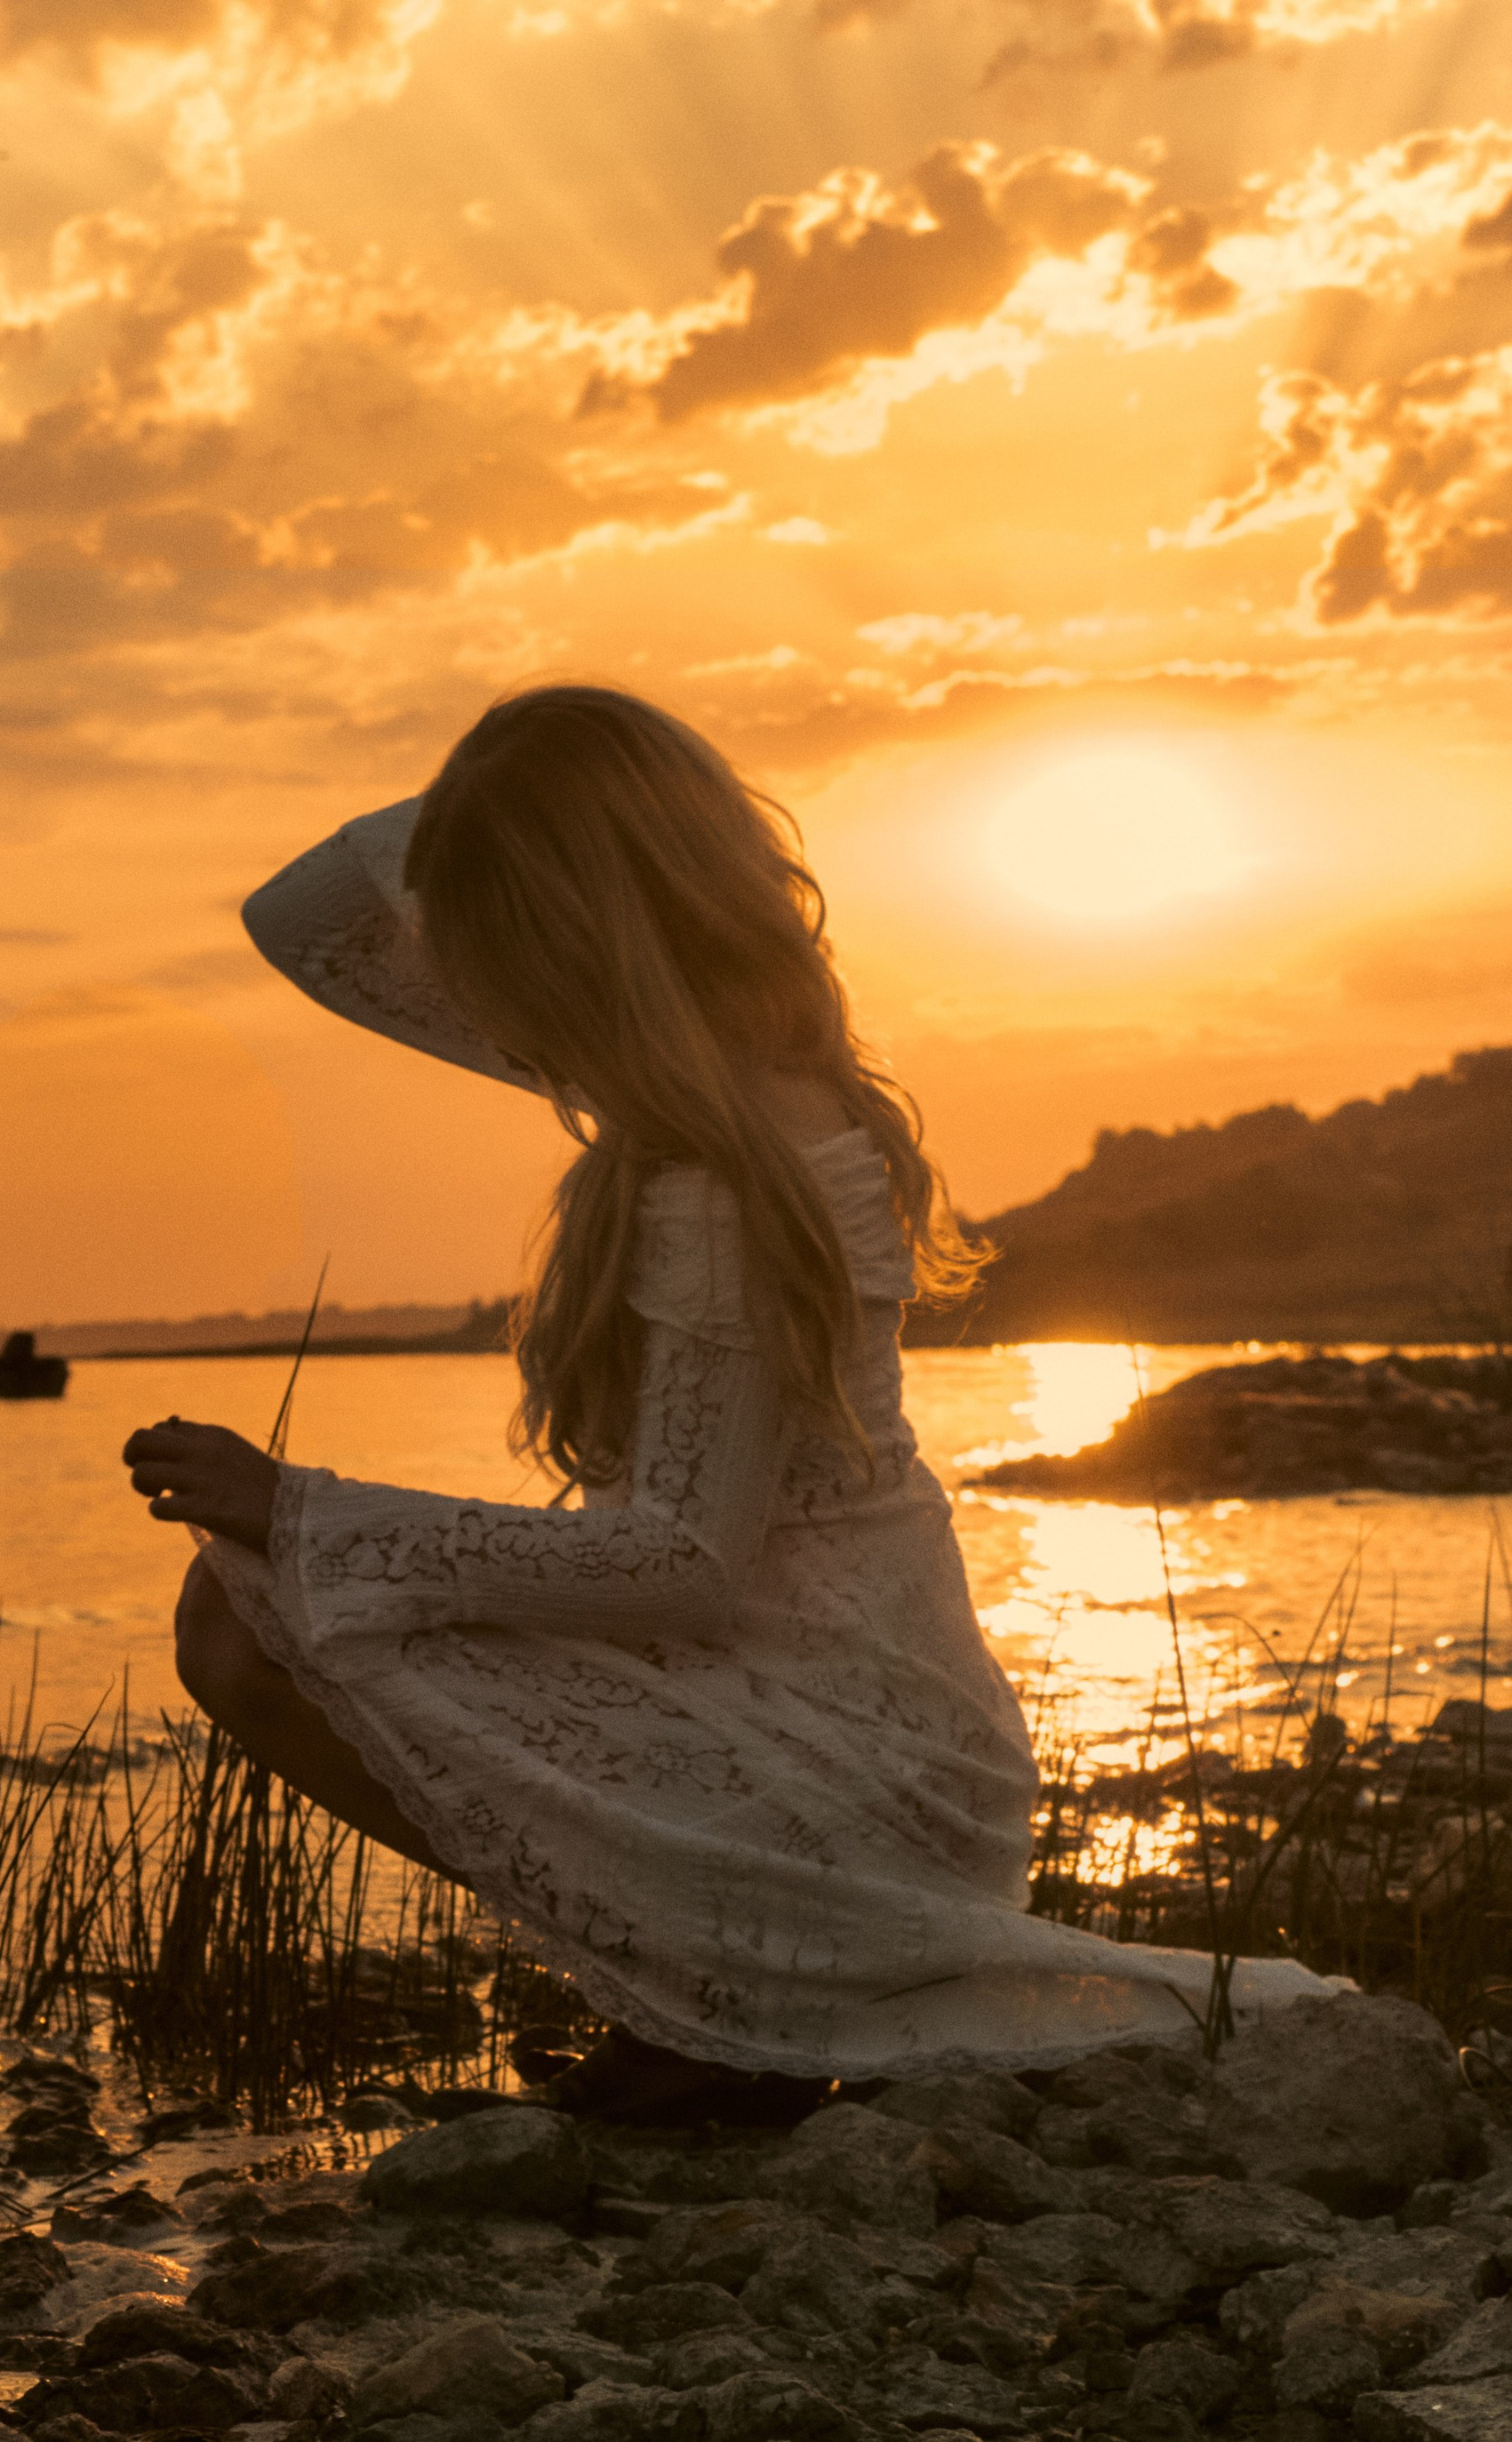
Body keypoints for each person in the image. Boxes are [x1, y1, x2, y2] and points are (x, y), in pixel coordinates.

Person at [122, 685, 1340, 2121]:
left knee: (244, 1616)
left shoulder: (721, 1180)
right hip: (868, 1736)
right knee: (269, 1597)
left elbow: (679, 1564)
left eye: (506, 940)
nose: (482, 990)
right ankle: (706, 1995)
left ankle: (721, 2009)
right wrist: (520, 780)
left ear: (579, 937)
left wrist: (305, 1508)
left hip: (854, 1776)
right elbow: (302, 916)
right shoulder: (744, 1108)